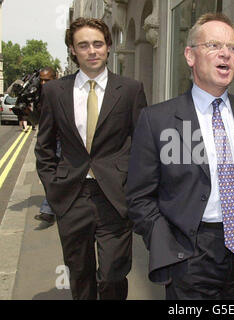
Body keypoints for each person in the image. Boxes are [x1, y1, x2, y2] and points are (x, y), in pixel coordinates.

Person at [126, 12, 234, 300]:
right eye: (213, 45)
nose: (225, 53)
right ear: (190, 55)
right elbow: (139, 197)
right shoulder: (157, 119)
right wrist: (167, 246)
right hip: (190, 255)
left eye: (233, 48)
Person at [35, 17, 147, 300]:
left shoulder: (131, 90)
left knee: (112, 274)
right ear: (73, 50)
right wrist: (54, 188)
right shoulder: (54, 91)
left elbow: (143, 145)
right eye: (83, 45)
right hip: (72, 196)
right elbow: (45, 146)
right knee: (80, 274)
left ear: (108, 47)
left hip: (114, 197)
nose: (92, 50)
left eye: (98, 44)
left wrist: (132, 187)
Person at [34, 67, 58, 224]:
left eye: (47, 80)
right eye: (41, 80)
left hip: (62, 141)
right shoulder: (39, 94)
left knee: (57, 175)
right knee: (49, 173)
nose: (43, 83)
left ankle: (48, 210)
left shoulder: (61, 93)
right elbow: (38, 119)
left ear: (55, 78)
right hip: (47, 141)